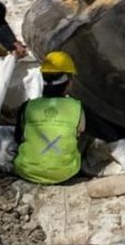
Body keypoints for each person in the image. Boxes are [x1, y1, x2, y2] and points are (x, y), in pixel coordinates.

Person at [12, 51, 88, 185]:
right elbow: (81, 134)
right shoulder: (77, 107)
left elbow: (18, 138)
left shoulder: (28, 106)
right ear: (69, 82)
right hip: (66, 173)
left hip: (26, 171)